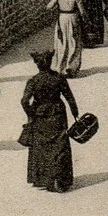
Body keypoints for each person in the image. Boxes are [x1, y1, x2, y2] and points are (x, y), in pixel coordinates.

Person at [21, 50, 79, 191]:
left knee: (42, 147)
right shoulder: (58, 78)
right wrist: (75, 114)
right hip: (57, 113)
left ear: (37, 65)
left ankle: (43, 178)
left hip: (40, 115)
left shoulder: (33, 81)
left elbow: (24, 101)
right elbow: (69, 98)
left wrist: (31, 114)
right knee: (60, 145)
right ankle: (60, 178)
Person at [46, 0, 84, 77]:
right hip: (73, 19)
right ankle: (71, 67)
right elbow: (82, 11)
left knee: (62, 43)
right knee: (73, 42)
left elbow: (48, 7)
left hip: (62, 18)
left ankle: (60, 67)